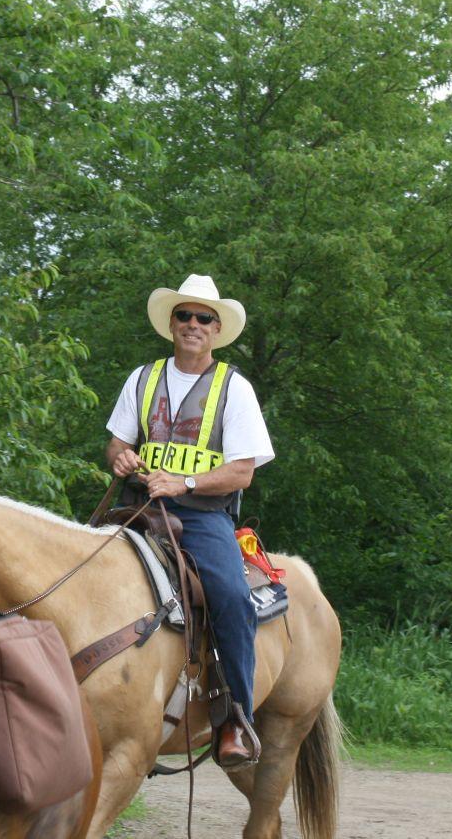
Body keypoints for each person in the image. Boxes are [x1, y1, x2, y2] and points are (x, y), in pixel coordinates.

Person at [103, 274, 273, 769]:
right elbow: (118, 441)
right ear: (171, 323)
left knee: (232, 597)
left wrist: (185, 484)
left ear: (217, 330)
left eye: (204, 318)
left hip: (200, 517)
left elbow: (242, 472)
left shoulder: (234, 388)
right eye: (184, 315)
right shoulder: (142, 377)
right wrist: (119, 458)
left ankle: (236, 720)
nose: (192, 324)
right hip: (137, 506)